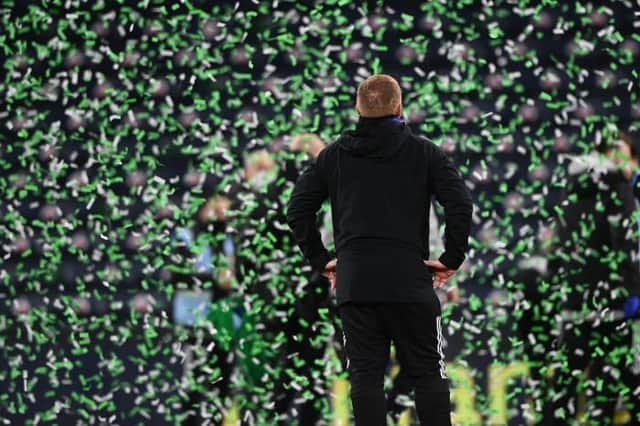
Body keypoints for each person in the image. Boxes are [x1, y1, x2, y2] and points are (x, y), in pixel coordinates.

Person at [286, 74, 473, 426]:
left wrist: (320, 260)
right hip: (409, 281)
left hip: (356, 284)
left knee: (365, 376)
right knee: (429, 374)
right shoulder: (424, 152)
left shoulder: (334, 156)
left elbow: (297, 210)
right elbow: (460, 203)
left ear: (357, 108)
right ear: (400, 106)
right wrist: (452, 259)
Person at [548, 129, 640, 425]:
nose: (631, 165)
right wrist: (633, 291)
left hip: (574, 300)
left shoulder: (572, 186)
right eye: (626, 156)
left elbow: (561, 244)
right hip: (611, 303)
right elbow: (625, 245)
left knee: (565, 386)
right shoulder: (618, 187)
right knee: (609, 384)